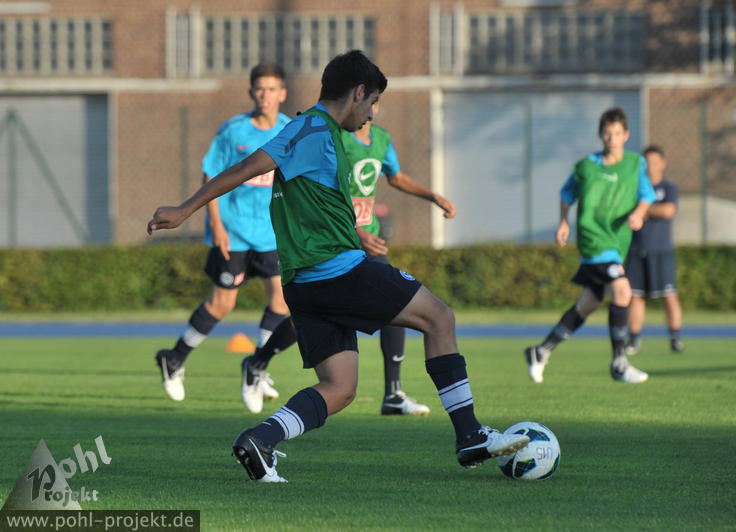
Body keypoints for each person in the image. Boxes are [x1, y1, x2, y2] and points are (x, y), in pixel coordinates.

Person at [147, 50, 529, 482]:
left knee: (340, 387)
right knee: (440, 318)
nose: (371, 115)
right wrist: (184, 210)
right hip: (337, 270)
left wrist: (354, 230)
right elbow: (248, 166)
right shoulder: (311, 129)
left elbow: (310, 200)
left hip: (304, 285)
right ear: (358, 93)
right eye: (372, 103)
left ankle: (260, 439)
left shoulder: (315, 130)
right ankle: (470, 434)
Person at [154, 63, 298, 414]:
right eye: (259, 88)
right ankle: (174, 358)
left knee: (281, 301)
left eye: (271, 89)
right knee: (222, 305)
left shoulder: (288, 130)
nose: (265, 95)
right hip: (233, 232)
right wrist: (216, 225)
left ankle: (258, 366)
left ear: (282, 93)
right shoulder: (234, 131)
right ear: (251, 92)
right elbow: (211, 176)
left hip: (270, 233)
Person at [524, 106, 656, 384]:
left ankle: (541, 351)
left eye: (617, 133)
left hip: (617, 242)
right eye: (607, 133)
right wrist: (563, 223)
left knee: (589, 303)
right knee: (622, 289)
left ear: (626, 135)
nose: (611, 138)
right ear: (600, 135)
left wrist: (639, 212)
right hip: (594, 240)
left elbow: (646, 195)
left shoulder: (635, 164)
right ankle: (619, 362)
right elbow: (566, 194)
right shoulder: (586, 167)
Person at [343, 100, 457, 417]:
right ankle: (259, 361)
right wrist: (355, 230)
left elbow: (395, 176)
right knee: (315, 311)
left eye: (373, 101)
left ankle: (393, 393)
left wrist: (433, 196)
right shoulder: (336, 138)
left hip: (370, 243)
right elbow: (323, 192)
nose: (367, 108)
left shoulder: (381, 139)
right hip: (337, 241)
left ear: (377, 104)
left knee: (396, 303)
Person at [624, 145, 684, 355]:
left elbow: (668, 210)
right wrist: (645, 211)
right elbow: (628, 212)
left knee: (669, 295)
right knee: (635, 296)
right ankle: (634, 340)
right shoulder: (634, 188)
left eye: (655, 162)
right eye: (646, 163)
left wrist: (643, 209)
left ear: (662, 164)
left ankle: (675, 338)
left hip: (662, 251)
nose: (651, 166)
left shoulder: (668, 188)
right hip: (636, 250)